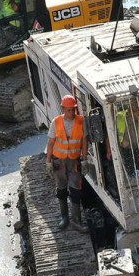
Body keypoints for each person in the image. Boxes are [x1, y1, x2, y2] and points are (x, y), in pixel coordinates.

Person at [47, 94, 86, 231]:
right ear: (63, 109)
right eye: (68, 110)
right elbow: (51, 143)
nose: (71, 112)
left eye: (73, 109)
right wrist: (48, 161)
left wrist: (85, 159)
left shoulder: (81, 121)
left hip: (74, 161)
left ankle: (77, 221)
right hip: (59, 161)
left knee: (75, 191)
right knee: (61, 190)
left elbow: (84, 142)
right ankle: (64, 218)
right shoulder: (56, 122)